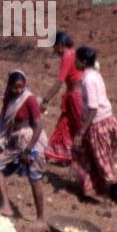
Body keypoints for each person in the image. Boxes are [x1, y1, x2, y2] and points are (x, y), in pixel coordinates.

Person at [0, 70, 47, 222]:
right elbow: (3, 122)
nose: (19, 90)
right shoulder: (8, 98)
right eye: (16, 87)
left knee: (34, 177)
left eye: (22, 87)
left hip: (28, 140)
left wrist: (28, 149)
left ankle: (40, 218)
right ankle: (6, 206)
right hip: (13, 140)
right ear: (9, 86)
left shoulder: (29, 99)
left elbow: (38, 124)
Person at [71, 46, 117, 200]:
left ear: (83, 61)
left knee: (103, 162)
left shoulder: (89, 80)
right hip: (108, 121)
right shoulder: (94, 75)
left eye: (77, 60)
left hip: (98, 126)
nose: (75, 62)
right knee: (89, 155)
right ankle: (93, 188)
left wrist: (82, 131)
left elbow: (93, 108)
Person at [42, 31, 83, 164]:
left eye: (55, 48)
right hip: (78, 95)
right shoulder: (75, 53)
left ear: (60, 45)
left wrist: (46, 100)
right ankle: (66, 155)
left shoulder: (67, 56)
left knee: (78, 127)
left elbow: (60, 81)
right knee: (65, 124)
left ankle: (84, 156)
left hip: (74, 97)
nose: (55, 52)